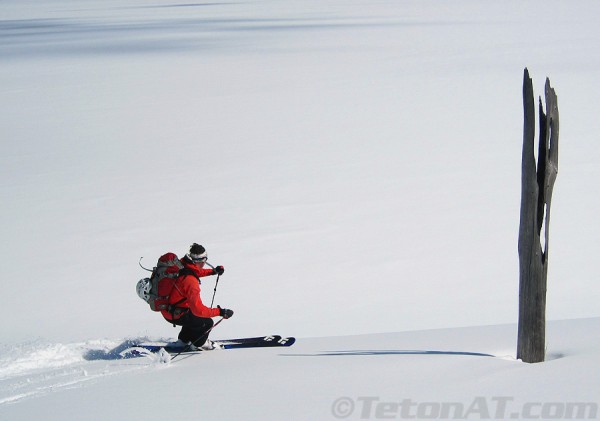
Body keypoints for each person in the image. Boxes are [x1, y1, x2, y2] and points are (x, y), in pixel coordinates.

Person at [164, 243, 233, 350]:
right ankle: (201, 344)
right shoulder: (191, 282)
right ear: (201, 260)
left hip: (168, 309)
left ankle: (183, 341)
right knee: (207, 322)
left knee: (191, 316)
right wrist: (220, 312)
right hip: (176, 314)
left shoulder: (182, 264)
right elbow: (198, 310)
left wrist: (213, 271)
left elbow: (194, 271)